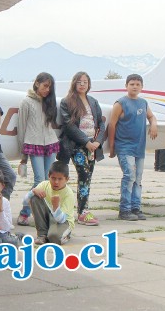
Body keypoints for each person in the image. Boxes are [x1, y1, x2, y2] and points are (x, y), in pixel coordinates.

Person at [108, 74, 158, 221]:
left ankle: (136, 208)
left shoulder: (143, 103)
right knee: (129, 175)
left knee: (138, 178)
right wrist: (112, 146)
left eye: (138, 84)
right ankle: (124, 209)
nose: (135, 86)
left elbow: (151, 116)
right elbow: (112, 125)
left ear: (142, 87)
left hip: (139, 147)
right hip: (124, 146)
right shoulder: (120, 103)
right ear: (126, 86)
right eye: (132, 84)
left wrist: (153, 124)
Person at [59, 72, 105, 226]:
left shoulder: (93, 101)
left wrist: (97, 141)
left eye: (85, 82)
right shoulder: (67, 102)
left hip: (93, 146)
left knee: (88, 177)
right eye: (79, 82)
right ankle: (82, 212)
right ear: (74, 83)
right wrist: (86, 142)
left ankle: (83, 209)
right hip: (76, 146)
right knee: (84, 174)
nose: (82, 84)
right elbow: (69, 126)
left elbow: (101, 124)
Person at [16, 72, 59, 226]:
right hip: (33, 144)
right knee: (40, 181)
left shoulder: (49, 101)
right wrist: (23, 153)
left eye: (49, 87)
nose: (47, 90)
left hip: (50, 143)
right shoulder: (26, 102)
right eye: (45, 86)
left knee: (48, 181)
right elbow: (21, 127)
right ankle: (25, 211)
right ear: (36, 83)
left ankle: (44, 213)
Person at [29, 161, 75, 245]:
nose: (56, 182)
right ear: (48, 176)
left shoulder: (69, 193)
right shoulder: (44, 185)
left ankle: (66, 234)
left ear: (67, 179)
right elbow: (25, 202)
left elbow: (61, 219)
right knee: (34, 198)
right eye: (53, 178)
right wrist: (33, 191)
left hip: (63, 221)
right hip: (50, 217)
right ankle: (42, 235)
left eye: (60, 179)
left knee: (54, 238)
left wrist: (56, 207)